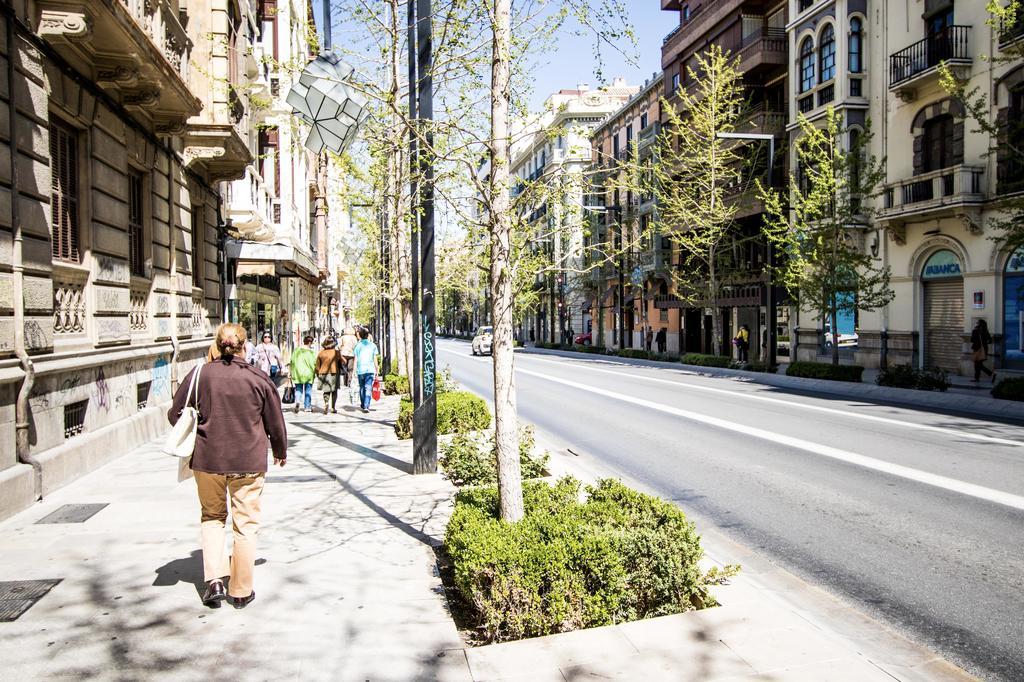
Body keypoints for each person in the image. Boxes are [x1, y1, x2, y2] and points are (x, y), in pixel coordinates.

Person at [168, 323, 286, 609]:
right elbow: (275, 421)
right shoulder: (258, 378)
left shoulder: (199, 375)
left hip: (208, 461)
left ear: (217, 344)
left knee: (212, 517)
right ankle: (242, 591)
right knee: (245, 524)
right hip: (248, 461)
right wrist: (280, 450)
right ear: (245, 346)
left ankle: (215, 582)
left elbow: (175, 415)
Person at [353, 327, 381, 413]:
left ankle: (363, 403)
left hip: (360, 369)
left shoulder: (357, 346)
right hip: (370, 369)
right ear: (368, 335)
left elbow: (356, 359)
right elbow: (375, 358)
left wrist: (354, 370)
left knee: (362, 387)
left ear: (360, 336)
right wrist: (377, 368)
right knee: (368, 387)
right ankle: (366, 405)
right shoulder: (372, 345)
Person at [289, 335, 317, 413]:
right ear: (310, 343)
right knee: (308, 390)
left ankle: (297, 401)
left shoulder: (296, 351)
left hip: (298, 373)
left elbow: (292, 362)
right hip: (309, 374)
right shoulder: (311, 352)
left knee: (298, 389)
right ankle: (307, 407)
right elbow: (314, 363)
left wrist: (290, 372)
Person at [315, 337, 343, 414]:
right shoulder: (336, 352)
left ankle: (326, 402)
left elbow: (317, 365)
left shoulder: (321, 353)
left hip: (323, 373)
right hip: (334, 372)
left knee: (326, 390)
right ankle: (333, 407)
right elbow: (342, 362)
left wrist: (317, 373)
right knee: (334, 390)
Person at [971, 319, 995, 384]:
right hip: (984, 350)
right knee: (979, 364)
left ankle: (991, 374)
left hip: (977, 349)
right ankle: (977, 378)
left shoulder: (975, 331)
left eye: (977, 323)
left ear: (979, 324)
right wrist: (984, 343)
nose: (976, 323)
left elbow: (972, 340)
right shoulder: (985, 331)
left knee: (978, 365)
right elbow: (990, 340)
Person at [339, 326, 359, 405]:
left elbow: (339, 345)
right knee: (350, 369)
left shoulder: (343, 337)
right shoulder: (354, 338)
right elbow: (356, 346)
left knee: (344, 368)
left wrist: (341, 350)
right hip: (351, 354)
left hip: (344, 353)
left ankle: (345, 380)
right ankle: (349, 381)